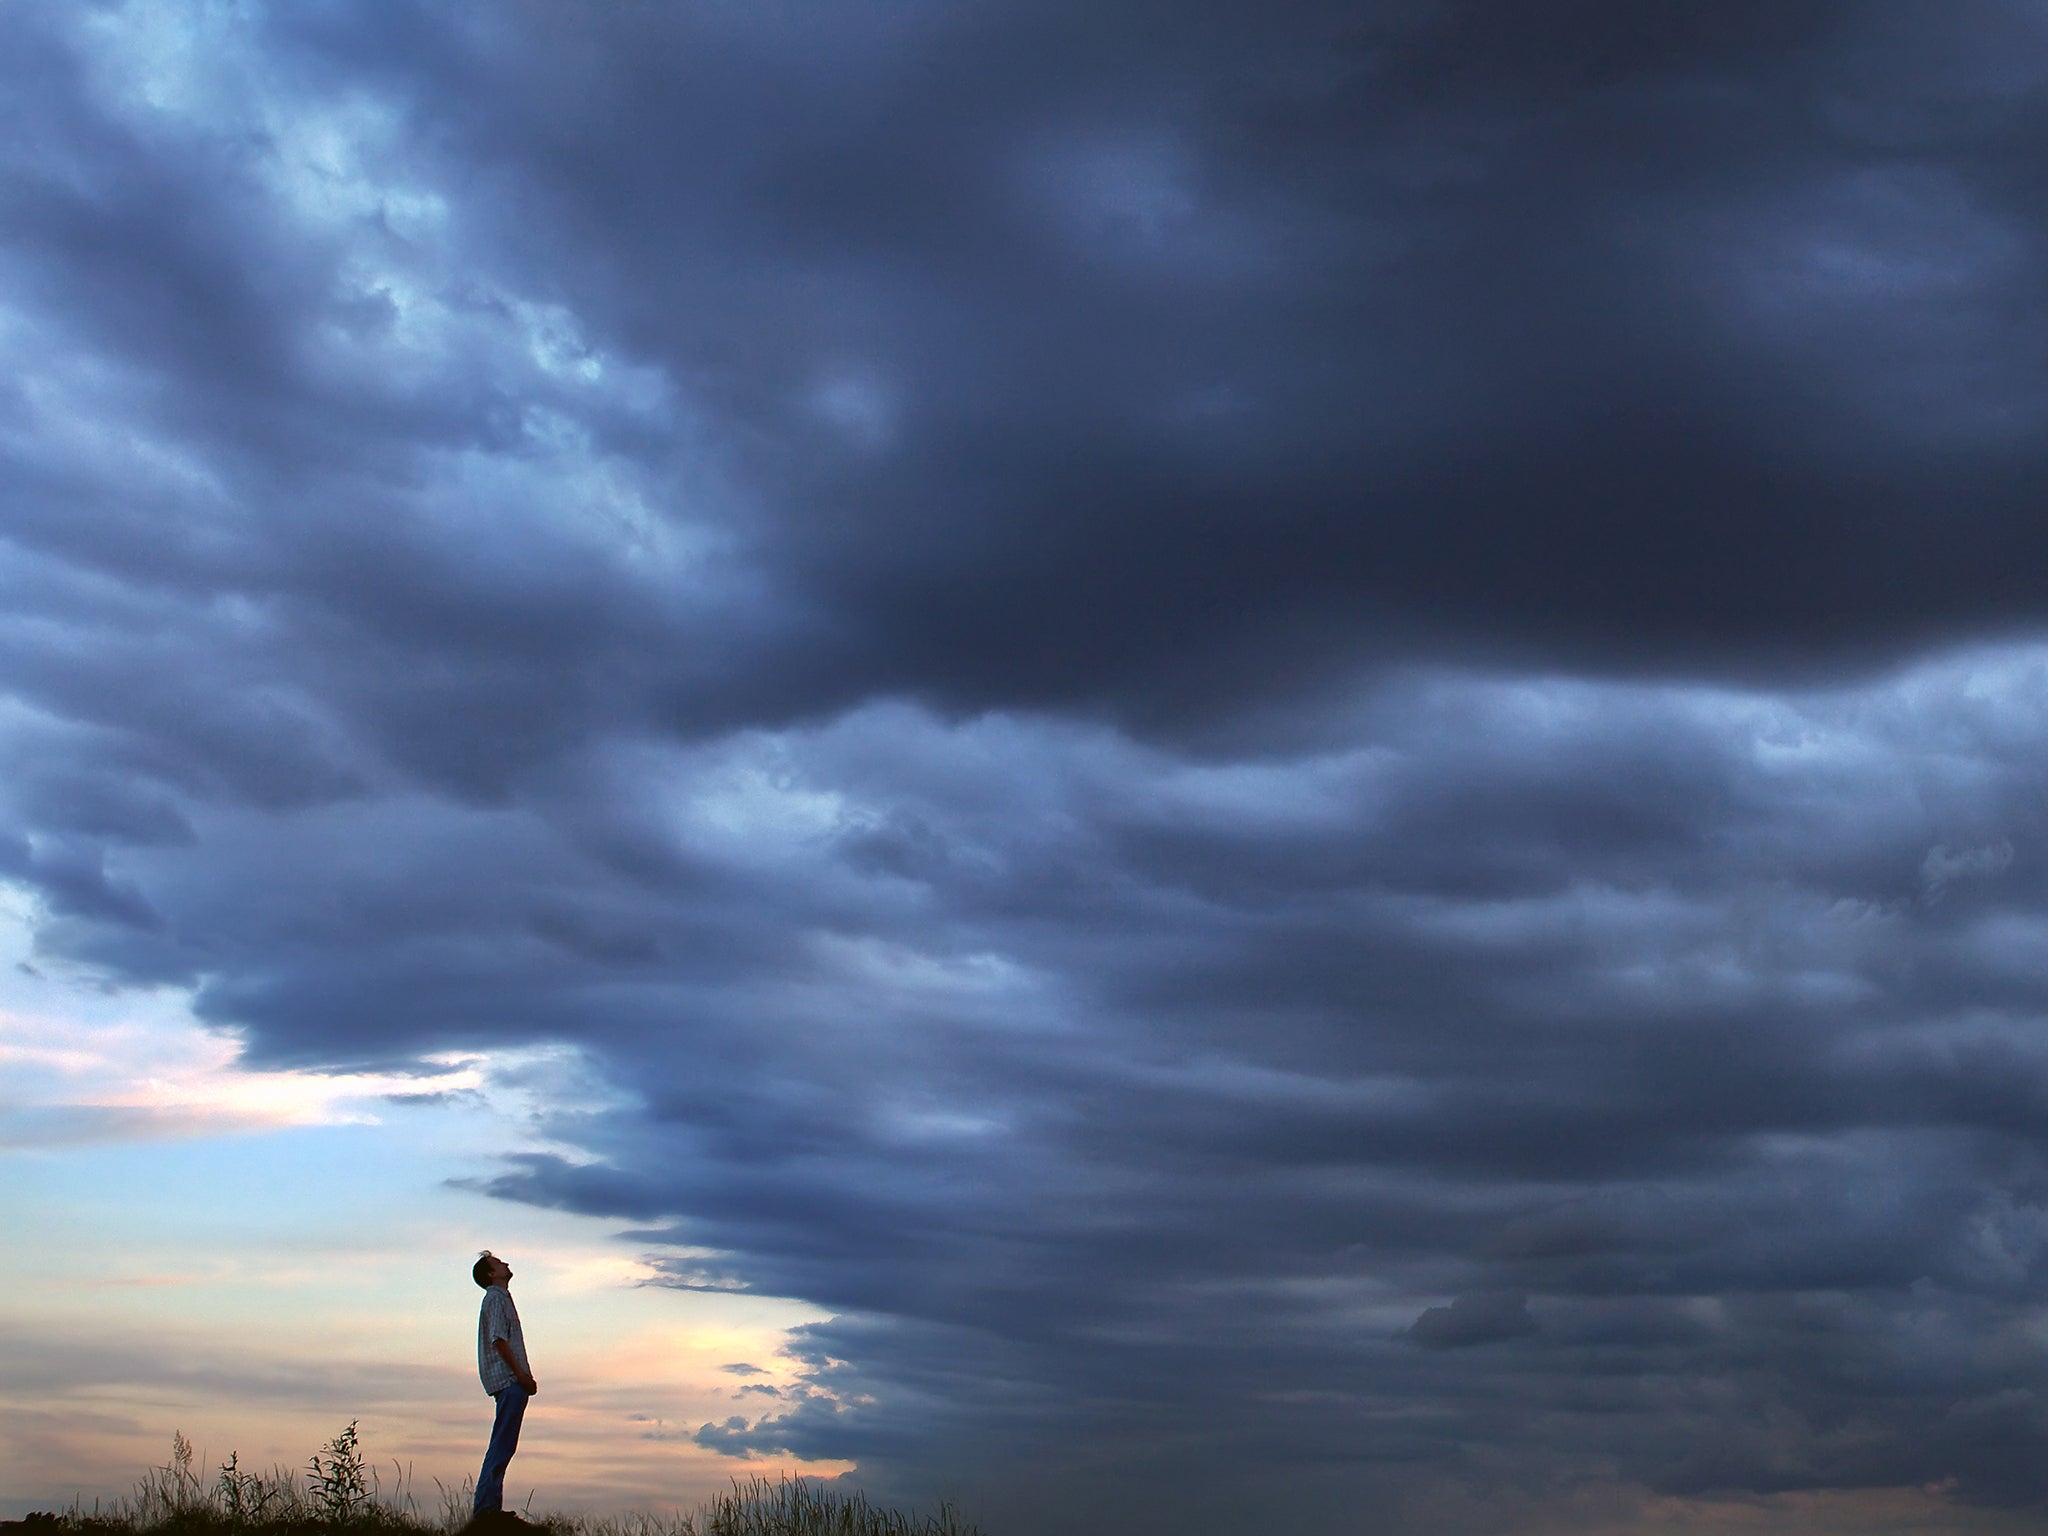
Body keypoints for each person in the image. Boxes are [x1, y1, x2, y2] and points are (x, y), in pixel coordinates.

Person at [472, 1251, 538, 1522]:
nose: (505, 1264)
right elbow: (498, 1341)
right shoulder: (495, 1299)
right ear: (491, 1274)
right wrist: (521, 1376)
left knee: (503, 1445)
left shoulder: (500, 1299)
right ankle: (486, 1511)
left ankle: (490, 1509)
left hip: (509, 1382)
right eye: (498, 1263)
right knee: (502, 1445)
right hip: (509, 1382)